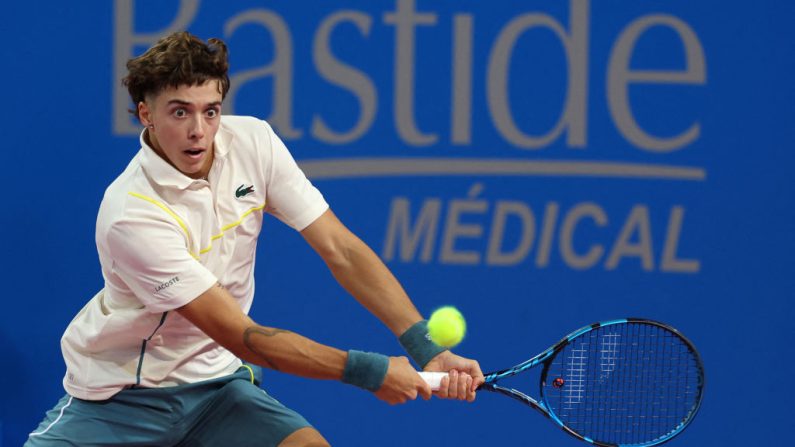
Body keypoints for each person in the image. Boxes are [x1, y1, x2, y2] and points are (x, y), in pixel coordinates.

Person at [25, 31, 483, 446]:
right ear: (146, 114)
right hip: (121, 400)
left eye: (211, 111)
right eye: (179, 112)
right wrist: (371, 371)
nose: (198, 131)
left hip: (217, 393)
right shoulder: (132, 214)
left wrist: (427, 348)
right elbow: (244, 337)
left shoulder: (254, 143)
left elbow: (339, 248)